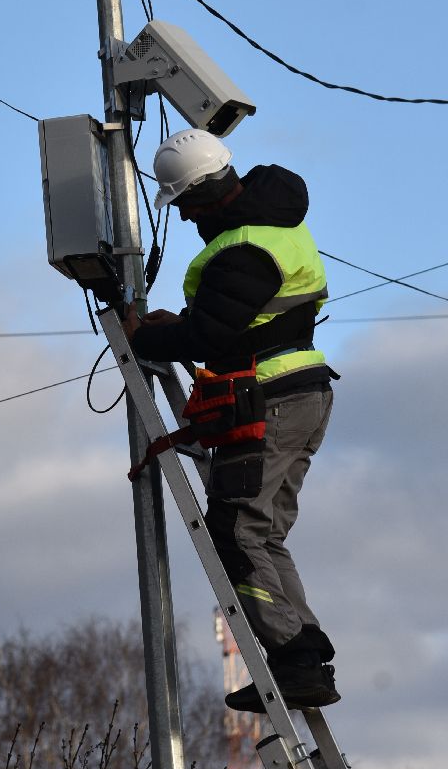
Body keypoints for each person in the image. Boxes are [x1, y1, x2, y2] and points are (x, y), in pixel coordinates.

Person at [122, 127, 340, 712]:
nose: (185, 216)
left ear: (204, 194)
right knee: (262, 534)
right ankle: (304, 656)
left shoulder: (242, 246)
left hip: (271, 400)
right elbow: (240, 321)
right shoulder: (275, 224)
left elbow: (211, 336)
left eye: (185, 203)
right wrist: (182, 325)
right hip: (300, 393)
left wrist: (149, 336)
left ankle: (295, 657)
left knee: (234, 533)